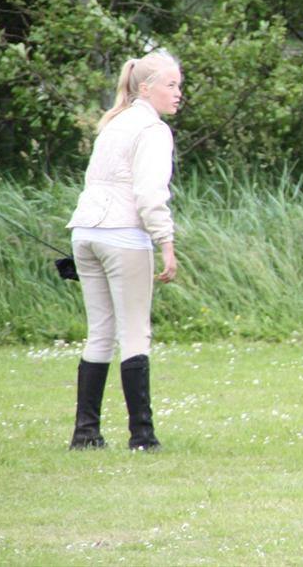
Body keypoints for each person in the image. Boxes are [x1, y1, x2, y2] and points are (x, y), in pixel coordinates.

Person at [66, 49, 182, 451]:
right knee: (134, 332)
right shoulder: (153, 130)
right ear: (145, 88)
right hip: (122, 235)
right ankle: (142, 436)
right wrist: (166, 242)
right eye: (171, 85)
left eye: (179, 85)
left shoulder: (113, 123)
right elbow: (149, 194)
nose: (178, 93)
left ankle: (86, 434)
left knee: (100, 333)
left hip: (84, 233)